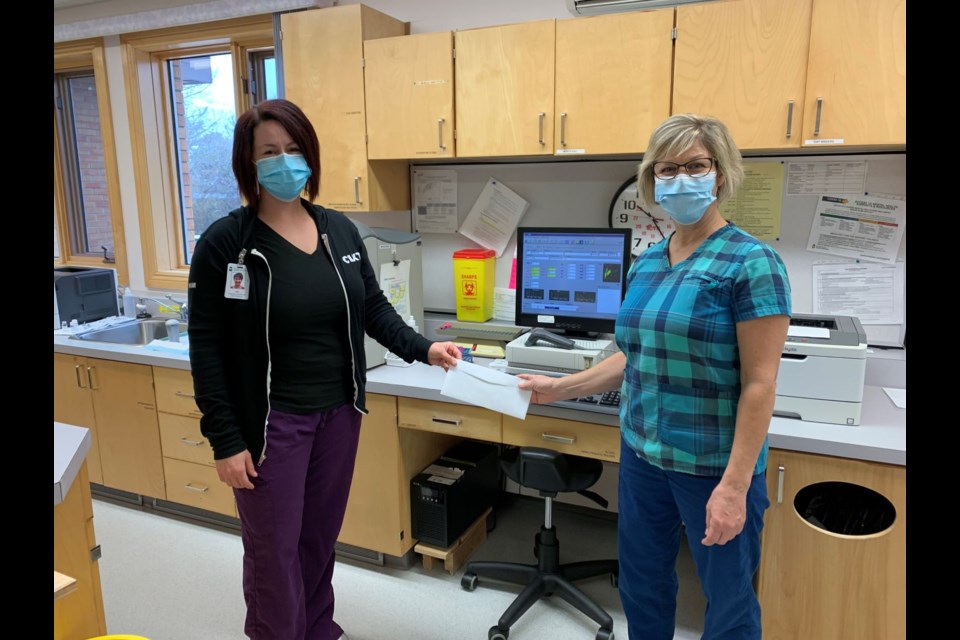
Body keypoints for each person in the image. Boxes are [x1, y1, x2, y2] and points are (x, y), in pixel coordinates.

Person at [187, 98, 462, 640]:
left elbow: (374, 308)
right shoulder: (228, 243)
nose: (283, 162)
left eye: (293, 150)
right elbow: (207, 347)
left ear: (309, 157)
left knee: (316, 538)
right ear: (249, 162)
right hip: (272, 425)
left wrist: (425, 349)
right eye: (269, 152)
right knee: (273, 549)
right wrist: (224, 439)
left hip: (339, 414)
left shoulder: (339, 231)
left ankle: (317, 629)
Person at [517, 114, 791, 640]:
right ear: (652, 180)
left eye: (695, 165)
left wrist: (734, 488)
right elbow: (634, 355)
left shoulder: (752, 262)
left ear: (720, 174)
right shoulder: (647, 263)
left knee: (729, 601)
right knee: (642, 586)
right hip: (643, 456)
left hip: (713, 463)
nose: (680, 178)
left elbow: (761, 383)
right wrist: (561, 387)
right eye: (667, 168)